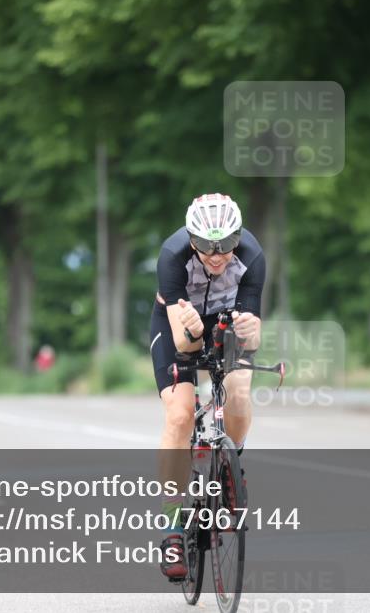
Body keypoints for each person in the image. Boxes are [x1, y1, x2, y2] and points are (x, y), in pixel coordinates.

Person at [149, 193, 265, 580]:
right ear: (191, 239)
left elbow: (253, 336)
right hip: (179, 326)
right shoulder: (172, 255)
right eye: (205, 246)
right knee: (180, 416)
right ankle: (172, 528)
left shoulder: (252, 255)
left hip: (226, 321)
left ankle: (232, 468)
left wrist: (250, 330)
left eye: (226, 245)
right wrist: (195, 333)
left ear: (238, 238)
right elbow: (184, 346)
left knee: (239, 392)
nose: (216, 257)